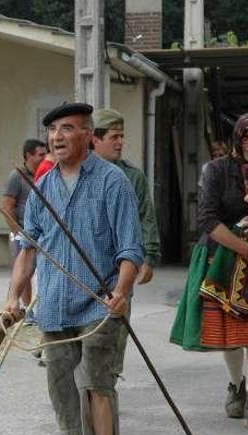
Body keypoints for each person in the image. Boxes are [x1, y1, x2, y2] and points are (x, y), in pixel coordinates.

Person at [5, 102, 143, 435]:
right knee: (63, 393)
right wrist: (13, 299)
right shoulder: (42, 188)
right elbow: (28, 250)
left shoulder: (112, 182)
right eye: (52, 131)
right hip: (54, 308)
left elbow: (131, 249)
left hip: (100, 304)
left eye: (67, 129)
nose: (57, 138)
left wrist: (120, 293)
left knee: (96, 384)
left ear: (87, 134)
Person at [171, 113, 248, 432]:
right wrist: (242, 247)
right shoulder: (216, 170)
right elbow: (206, 219)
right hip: (222, 257)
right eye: (246, 139)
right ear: (237, 139)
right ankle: (237, 386)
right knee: (230, 337)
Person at [91, 109, 161, 377]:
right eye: (113, 137)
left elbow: (147, 217)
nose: (120, 142)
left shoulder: (133, 177)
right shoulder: (77, 172)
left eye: (122, 136)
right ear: (94, 140)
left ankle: (108, 380)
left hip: (121, 266)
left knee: (116, 327)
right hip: (84, 265)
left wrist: (150, 256)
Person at [1, 138, 46, 307]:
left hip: (41, 232)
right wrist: (18, 231)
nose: (44, 157)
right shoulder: (17, 177)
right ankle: (26, 308)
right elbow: (7, 206)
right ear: (29, 155)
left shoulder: (45, 175)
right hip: (22, 233)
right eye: (40, 154)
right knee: (24, 272)